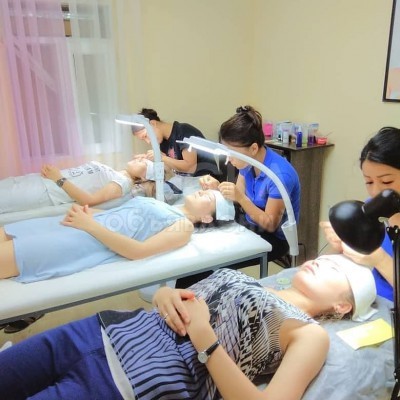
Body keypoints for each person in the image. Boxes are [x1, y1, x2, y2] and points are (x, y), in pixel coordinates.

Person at [0, 254, 377, 399]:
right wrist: (165, 294)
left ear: (342, 305)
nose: (321, 261)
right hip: (98, 331)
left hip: (130, 381)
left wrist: (205, 340)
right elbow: (179, 299)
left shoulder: (310, 334)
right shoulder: (261, 284)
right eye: (326, 258)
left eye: (336, 268)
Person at [0, 189, 235, 283]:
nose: (202, 191)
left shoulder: (184, 227)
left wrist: (90, 225)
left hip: (82, 241)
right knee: (7, 231)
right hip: (78, 223)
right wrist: (90, 213)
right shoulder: (168, 205)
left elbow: (137, 252)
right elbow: (122, 215)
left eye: (209, 197)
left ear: (207, 218)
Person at [321, 126, 400, 302]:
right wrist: (341, 245)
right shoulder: (373, 209)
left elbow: (376, 258)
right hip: (372, 305)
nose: (376, 192)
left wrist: (380, 259)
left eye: (387, 181)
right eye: (369, 182)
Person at [133, 108, 228, 179]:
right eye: (143, 139)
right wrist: (148, 160)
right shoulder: (163, 142)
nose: (148, 142)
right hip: (187, 182)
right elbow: (169, 167)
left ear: (153, 124)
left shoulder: (183, 132)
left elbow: (190, 167)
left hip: (206, 181)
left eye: (146, 136)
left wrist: (162, 157)